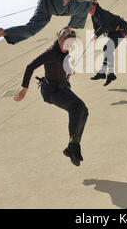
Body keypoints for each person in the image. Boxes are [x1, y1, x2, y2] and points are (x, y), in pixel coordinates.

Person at [14, 27, 89, 167]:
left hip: (62, 87)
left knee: (84, 110)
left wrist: (68, 71)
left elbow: (62, 65)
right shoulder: (50, 53)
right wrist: (24, 89)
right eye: (66, 43)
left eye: (71, 44)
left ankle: (73, 145)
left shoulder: (65, 52)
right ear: (59, 39)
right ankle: (73, 144)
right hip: (51, 91)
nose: (68, 47)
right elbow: (30, 66)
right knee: (76, 107)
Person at [89, 0, 127, 86]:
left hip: (121, 29)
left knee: (108, 48)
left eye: (91, 8)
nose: (90, 11)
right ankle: (110, 74)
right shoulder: (93, 16)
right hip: (112, 32)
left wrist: (96, 35)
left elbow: (104, 26)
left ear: (95, 6)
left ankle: (103, 72)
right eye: (88, 9)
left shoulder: (102, 13)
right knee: (107, 49)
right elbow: (97, 28)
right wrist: (95, 34)